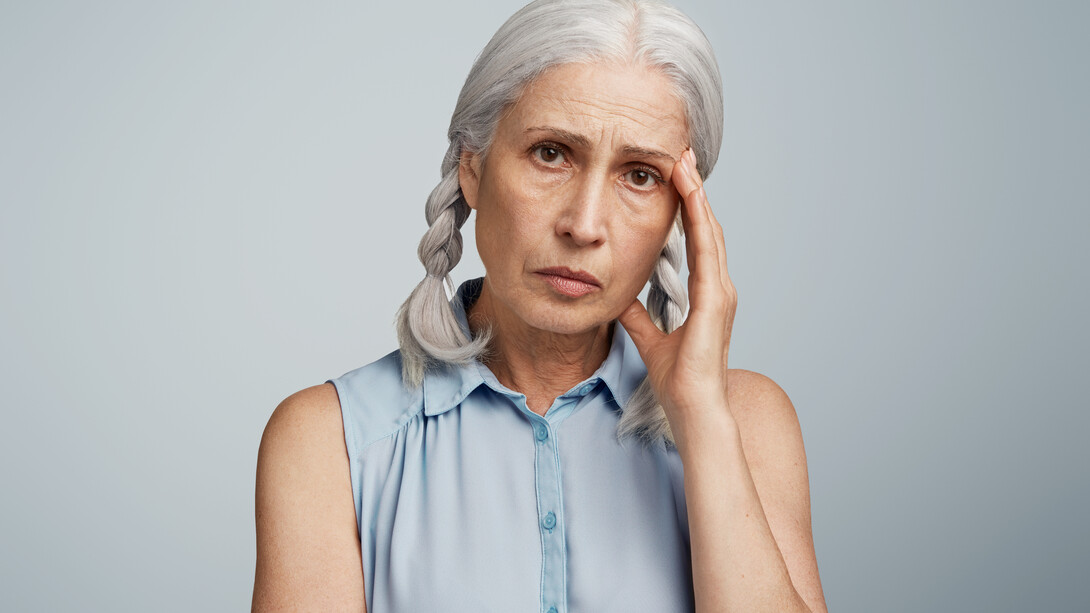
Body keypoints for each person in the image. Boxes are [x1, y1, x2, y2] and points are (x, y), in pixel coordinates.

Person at [252, 0, 827, 611]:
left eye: (639, 175)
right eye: (551, 153)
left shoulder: (747, 424)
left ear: (681, 213)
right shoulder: (329, 441)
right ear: (470, 167)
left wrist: (703, 422)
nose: (584, 225)